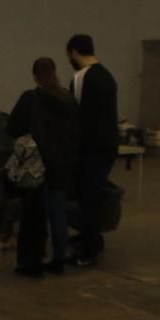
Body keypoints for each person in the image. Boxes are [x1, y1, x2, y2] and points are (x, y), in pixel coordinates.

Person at [7, 58, 80, 276]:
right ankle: (59, 258)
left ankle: (33, 261)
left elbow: (13, 127)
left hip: (36, 164)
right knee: (58, 212)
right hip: (62, 164)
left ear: (35, 75)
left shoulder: (31, 98)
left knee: (34, 214)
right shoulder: (68, 99)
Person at [66, 34, 118, 267]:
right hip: (107, 145)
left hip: (89, 147)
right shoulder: (107, 75)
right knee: (94, 194)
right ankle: (91, 236)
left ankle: (89, 248)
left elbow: (76, 114)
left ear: (75, 52)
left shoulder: (81, 77)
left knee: (87, 197)